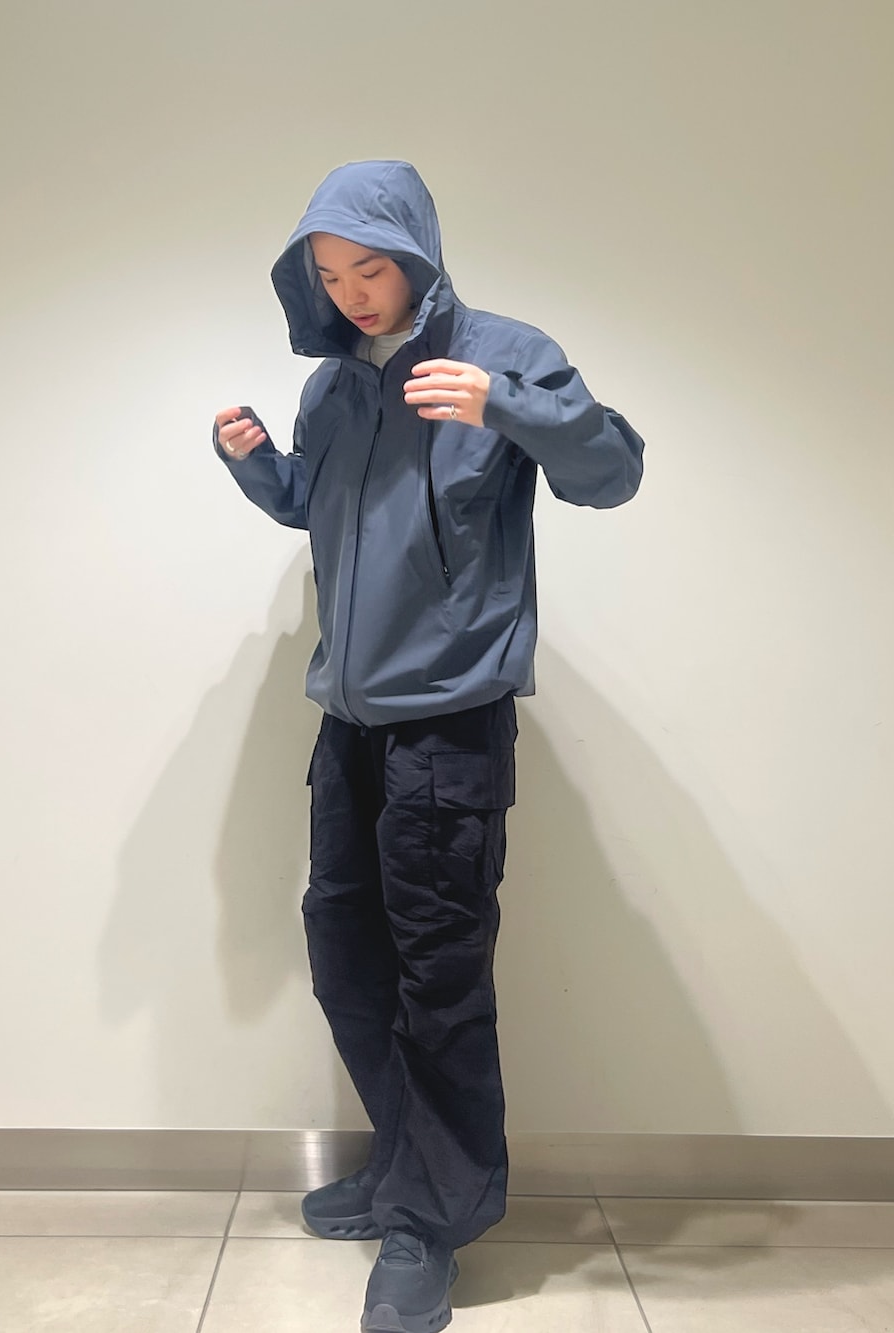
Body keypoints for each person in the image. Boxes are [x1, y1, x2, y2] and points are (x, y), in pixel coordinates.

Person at [212, 159, 644, 1333]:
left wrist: (511, 408)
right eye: (329, 275)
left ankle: (428, 1221)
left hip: (449, 726)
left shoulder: (500, 354)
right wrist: (257, 468)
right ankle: (408, 1165)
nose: (352, 292)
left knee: (437, 980)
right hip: (348, 726)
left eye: (371, 267)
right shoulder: (332, 387)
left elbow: (612, 472)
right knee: (346, 956)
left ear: (416, 253)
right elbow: (316, 509)